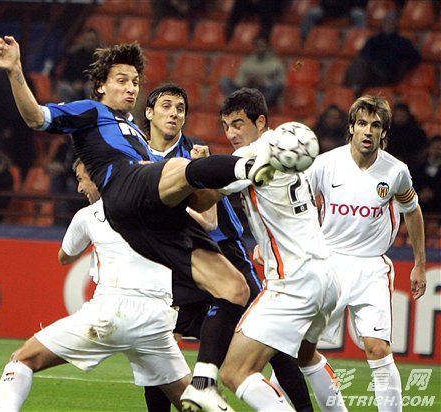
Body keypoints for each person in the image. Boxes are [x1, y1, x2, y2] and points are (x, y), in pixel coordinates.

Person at [0, 36, 274, 409]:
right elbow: (36, 117)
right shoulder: (91, 112)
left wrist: (206, 179)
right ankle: (251, 164)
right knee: (179, 167)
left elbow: (203, 212)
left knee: (234, 288)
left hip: (150, 233)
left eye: (135, 82)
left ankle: (203, 383)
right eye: (122, 80)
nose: (131, 88)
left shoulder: (135, 132)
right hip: (125, 195)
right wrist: (15, 71)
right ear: (101, 86)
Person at [142, 83, 314, 412]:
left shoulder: (195, 157)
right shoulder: (138, 156)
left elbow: (208, 219)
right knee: (157, 341)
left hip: (224, 253)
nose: (174, 114)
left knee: (270, 340)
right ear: (149, 113)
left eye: (181, 108)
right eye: (167, 106)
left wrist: (162, 207)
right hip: (177, 258)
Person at [0, 158, 190, 411]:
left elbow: (65, 256)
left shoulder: (88, 215)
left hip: (112, 310)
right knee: (192, 399)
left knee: (22, 359)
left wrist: (92, 237)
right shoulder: (159, 208)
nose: (79, 188)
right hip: (157, 317)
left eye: (81, 179)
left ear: (99, 177)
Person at [215, 88, 346, 411]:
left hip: (293, 281)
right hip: (326, 276)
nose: (231, 134)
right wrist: (266, 241)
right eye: (226, 126)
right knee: (304, 355)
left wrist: (197, 166)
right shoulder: (289, 146)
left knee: (234, 372)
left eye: (238, 124)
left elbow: (206, 192)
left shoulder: (252, 155)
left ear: (260, 122)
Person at [306, 95, 427, 411]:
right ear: (351, 127)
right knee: (300, 349)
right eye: (362, 123)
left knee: (378, 349)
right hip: (329, 263)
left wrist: (419, 263)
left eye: (375, 125)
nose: (368, 131)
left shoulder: (395, 171)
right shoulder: (324, 165)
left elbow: (412, 211)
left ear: (383, 132)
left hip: (371, 268)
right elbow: (297, 206)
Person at [344, 11, 421, 96]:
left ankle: (352, 92)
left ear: (396, 24)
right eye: (386, 21)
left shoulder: (403, 42)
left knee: (361, 66)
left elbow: (416, 57)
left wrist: (403, 66)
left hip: (387, 74)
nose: (388, 24)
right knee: (360, 63)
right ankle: (351, 90)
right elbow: (363, 54)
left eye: (391, 21)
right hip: (370, 70)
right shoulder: (374, 40)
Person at [220, 37, 285, 108]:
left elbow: (280, 84)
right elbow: (239, 82)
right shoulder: (247, 62)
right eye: (257, 46)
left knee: (277, 86)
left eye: (262, 46)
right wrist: (247, 82)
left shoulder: (276, 63)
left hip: (263, 92)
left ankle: (258, 105)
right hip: (247, 90)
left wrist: (263, 82)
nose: (260, 49)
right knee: (224, 81)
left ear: (268, 47)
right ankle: (240, 103)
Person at [386, 102, 428, 170]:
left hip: (411, 164)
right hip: (388, 162)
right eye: (397, 115)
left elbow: (421, 150)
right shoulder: (387, 129)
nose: (399, 118)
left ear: (408, 116)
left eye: (402, 116)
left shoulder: (416, 131)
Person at [301, 0, 367, 42]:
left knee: (359, 14)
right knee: (313, 13)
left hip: (347, 11)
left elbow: (360, 3)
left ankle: (359, 39)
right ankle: (304, 38)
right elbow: (323, 3)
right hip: (328, 10)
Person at [411, 135, 441, 214]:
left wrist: (433, 194)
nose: (436, 151)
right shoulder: (418, 167)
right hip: (418, 208)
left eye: (439, 149)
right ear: (429, 149)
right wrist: (420, 193)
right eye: (434, 148)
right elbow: (412, 184)